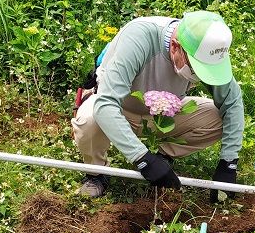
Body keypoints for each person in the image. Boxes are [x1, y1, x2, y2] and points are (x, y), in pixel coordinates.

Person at [71, 11, 245, 201]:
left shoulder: (208, 50)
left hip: (163, 115)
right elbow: (106, 104)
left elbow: (232, 102)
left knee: (218, 119)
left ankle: (164, 157)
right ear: (175, 46)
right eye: (195, 67)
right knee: (88, 120)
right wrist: (141, 158)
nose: (200, 76)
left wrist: (229, 163)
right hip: (121, 109)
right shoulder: (139, 38)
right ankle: (97, 173)